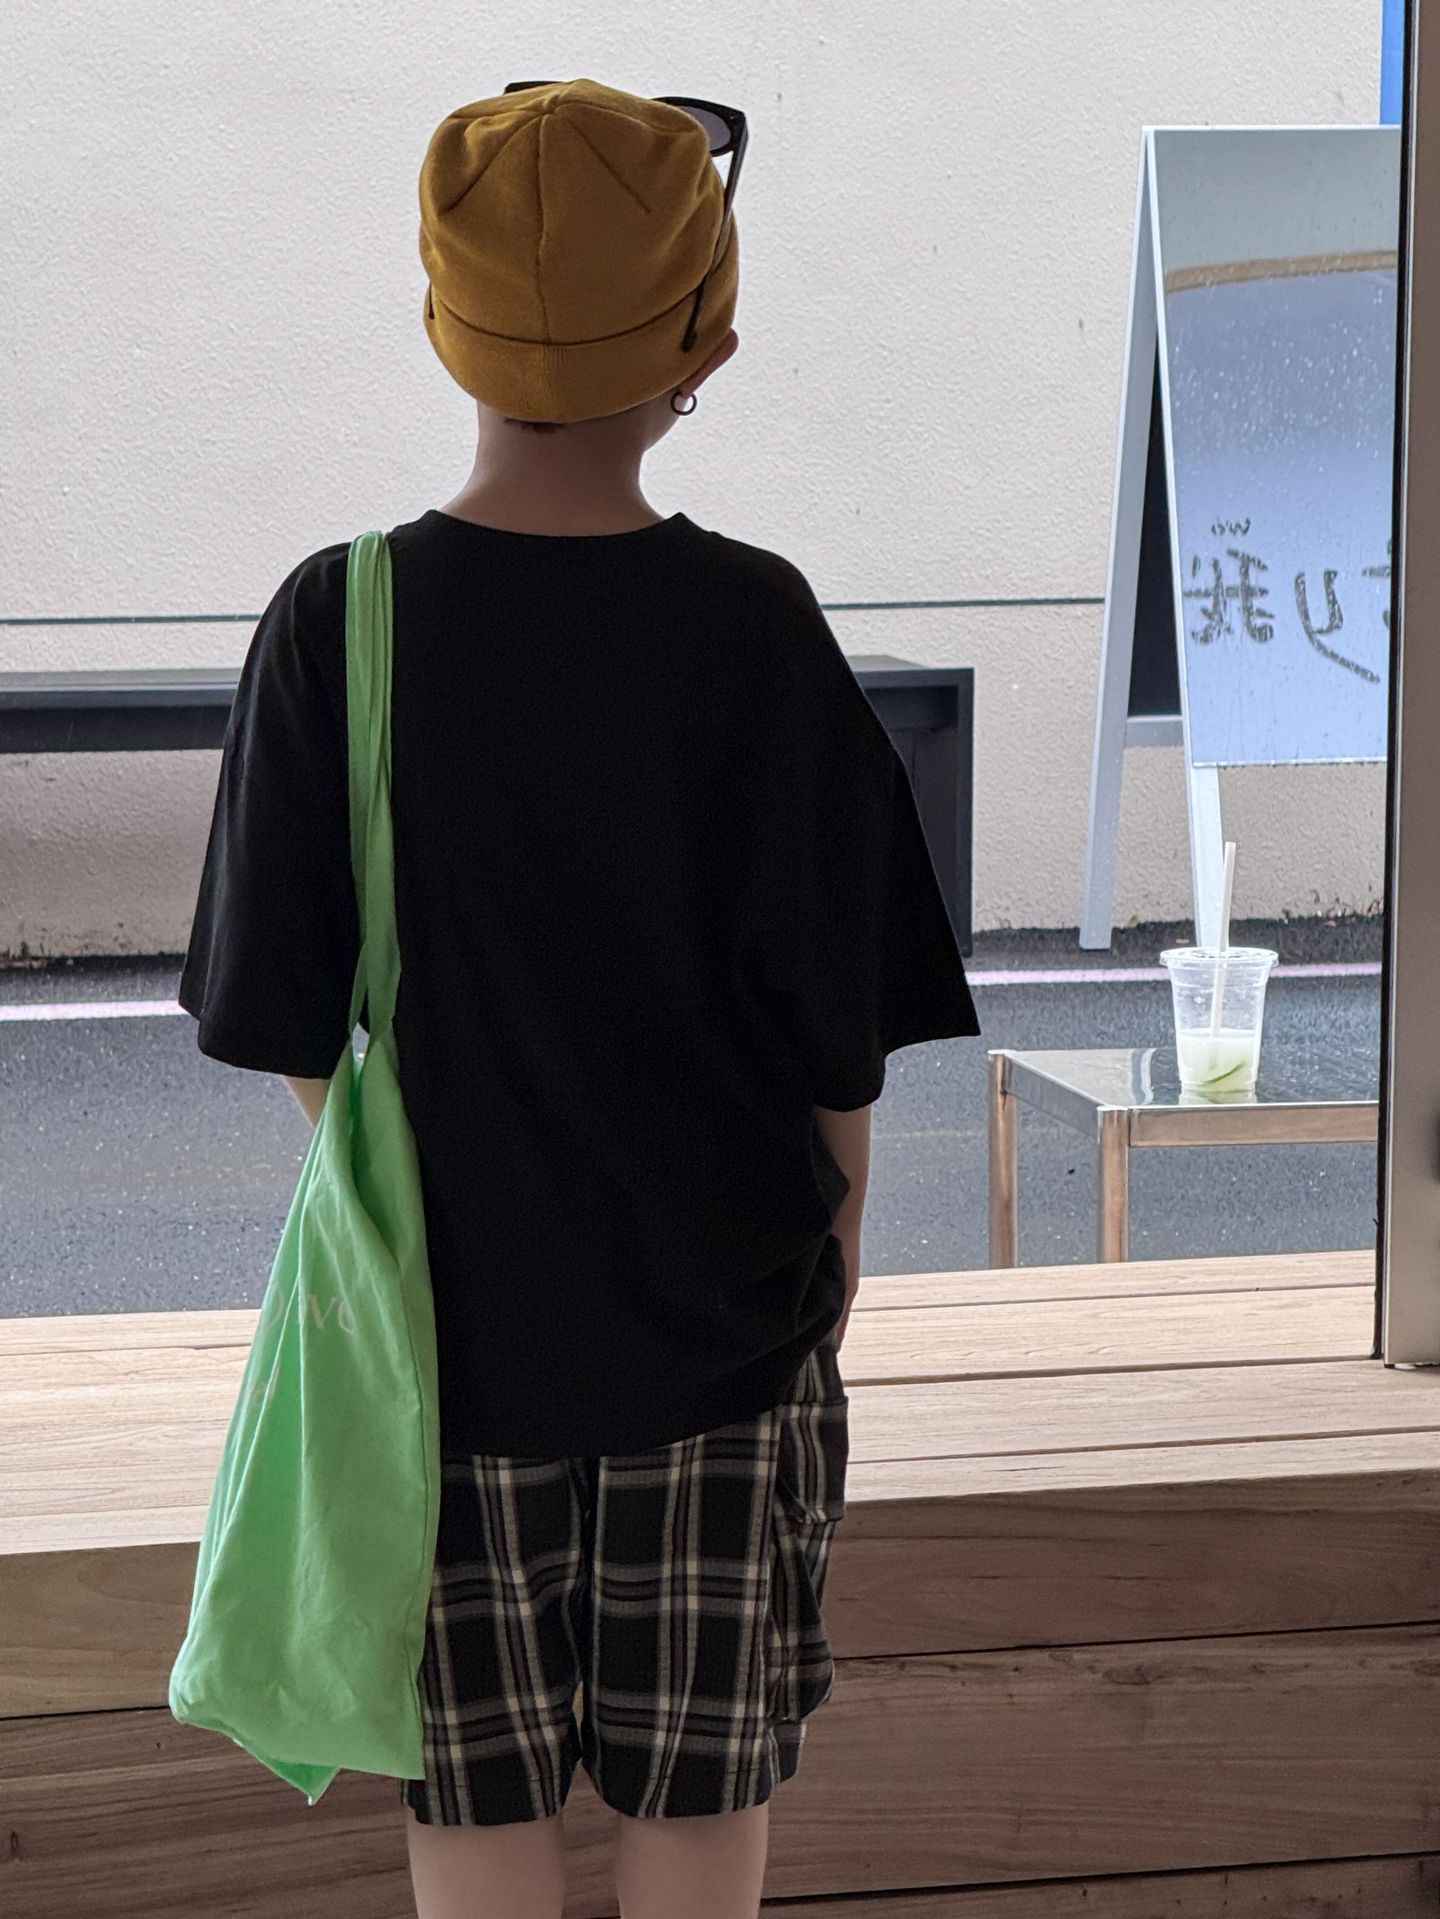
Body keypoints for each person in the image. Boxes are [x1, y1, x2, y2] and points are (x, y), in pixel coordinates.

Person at [177, 76, 980, 1919]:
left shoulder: (341, 619)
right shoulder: (757, 624)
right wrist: (838, 1226)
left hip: (439, 1362)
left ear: (445, 323)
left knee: (472, 1807)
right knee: (703, 1791)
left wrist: (408, 1190)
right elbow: (836, 1025)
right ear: (706, 344)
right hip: (725, 1338)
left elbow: (289, 1028)